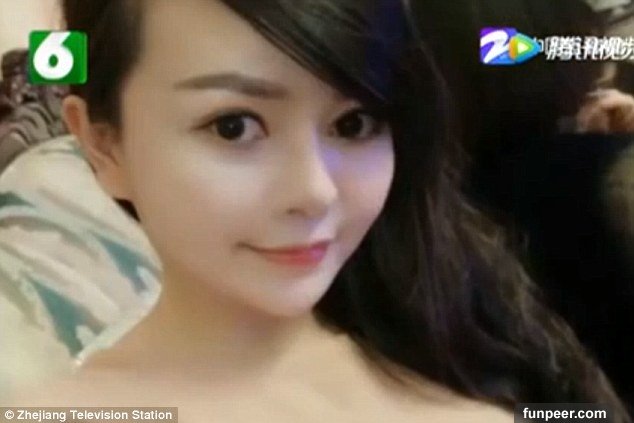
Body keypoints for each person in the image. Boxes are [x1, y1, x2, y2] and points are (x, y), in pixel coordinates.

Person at [5, 0, 631, 421]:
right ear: (103, 145)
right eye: (233, 126)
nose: (317, 191)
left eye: (354, 123)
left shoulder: (469, 330)